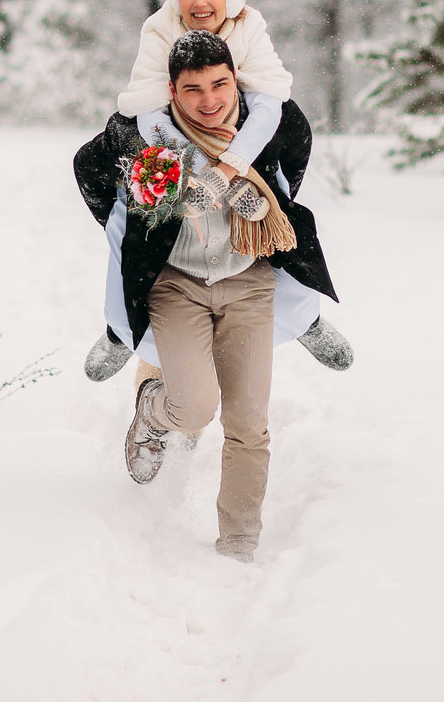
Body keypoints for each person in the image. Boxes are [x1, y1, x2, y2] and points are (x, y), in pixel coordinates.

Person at [72, 31, 338, 561]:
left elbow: (294, 171)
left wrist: (259, 202)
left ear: (234, 80)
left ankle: (239, 545)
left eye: (220, 84)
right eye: (193, 89)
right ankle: (153, 410)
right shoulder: (148, 139)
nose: (209, 100)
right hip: (177, 288)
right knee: (193, 407)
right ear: (172, 89)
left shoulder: (262, 133)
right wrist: (122, 224)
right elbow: (89, 169)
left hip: (248, 284)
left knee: (248, 423)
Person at [82, 0, 351, 381]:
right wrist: (187, 168)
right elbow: (148, 109)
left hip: (241, 136)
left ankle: (305, 320)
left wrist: (232, 169)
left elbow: (268, 104)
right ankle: (121, 331)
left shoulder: (250, 26)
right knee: (127, 220)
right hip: (166, 138)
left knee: (282, 212)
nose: (199, 2)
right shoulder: (159, 29)